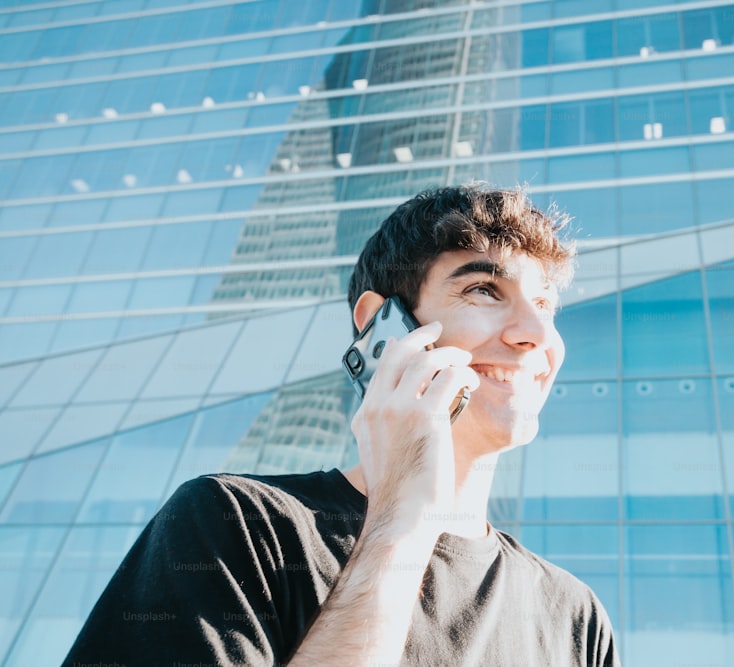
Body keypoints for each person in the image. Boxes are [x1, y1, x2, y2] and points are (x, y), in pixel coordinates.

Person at [62, 184, 620, 666]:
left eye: (546, 305)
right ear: (382, 326)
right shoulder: (234, 527)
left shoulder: (576, 618)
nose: (537, 335)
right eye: (483, 291)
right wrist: (402, 519)